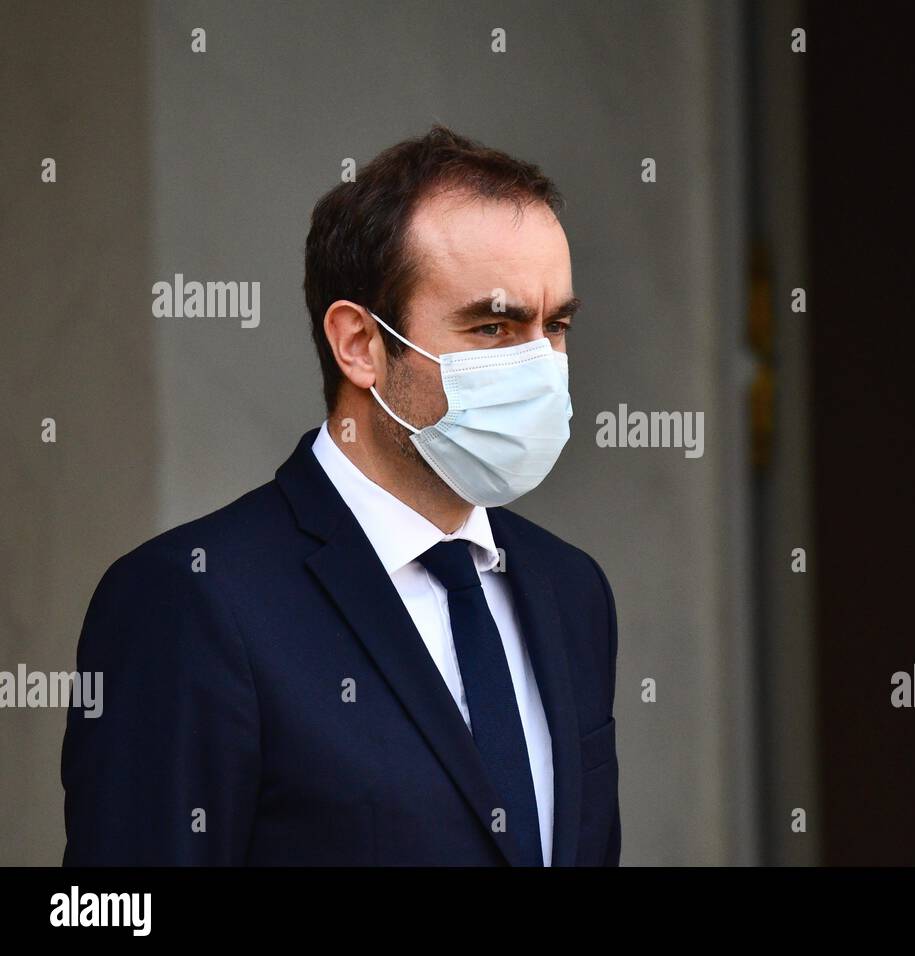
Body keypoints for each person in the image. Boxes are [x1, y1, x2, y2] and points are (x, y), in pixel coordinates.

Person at [61, 125, 620, 866]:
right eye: (493, 325)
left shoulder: (568, 590)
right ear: (359, 343)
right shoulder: (193, 598)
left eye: (556, 326)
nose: (539, 365)